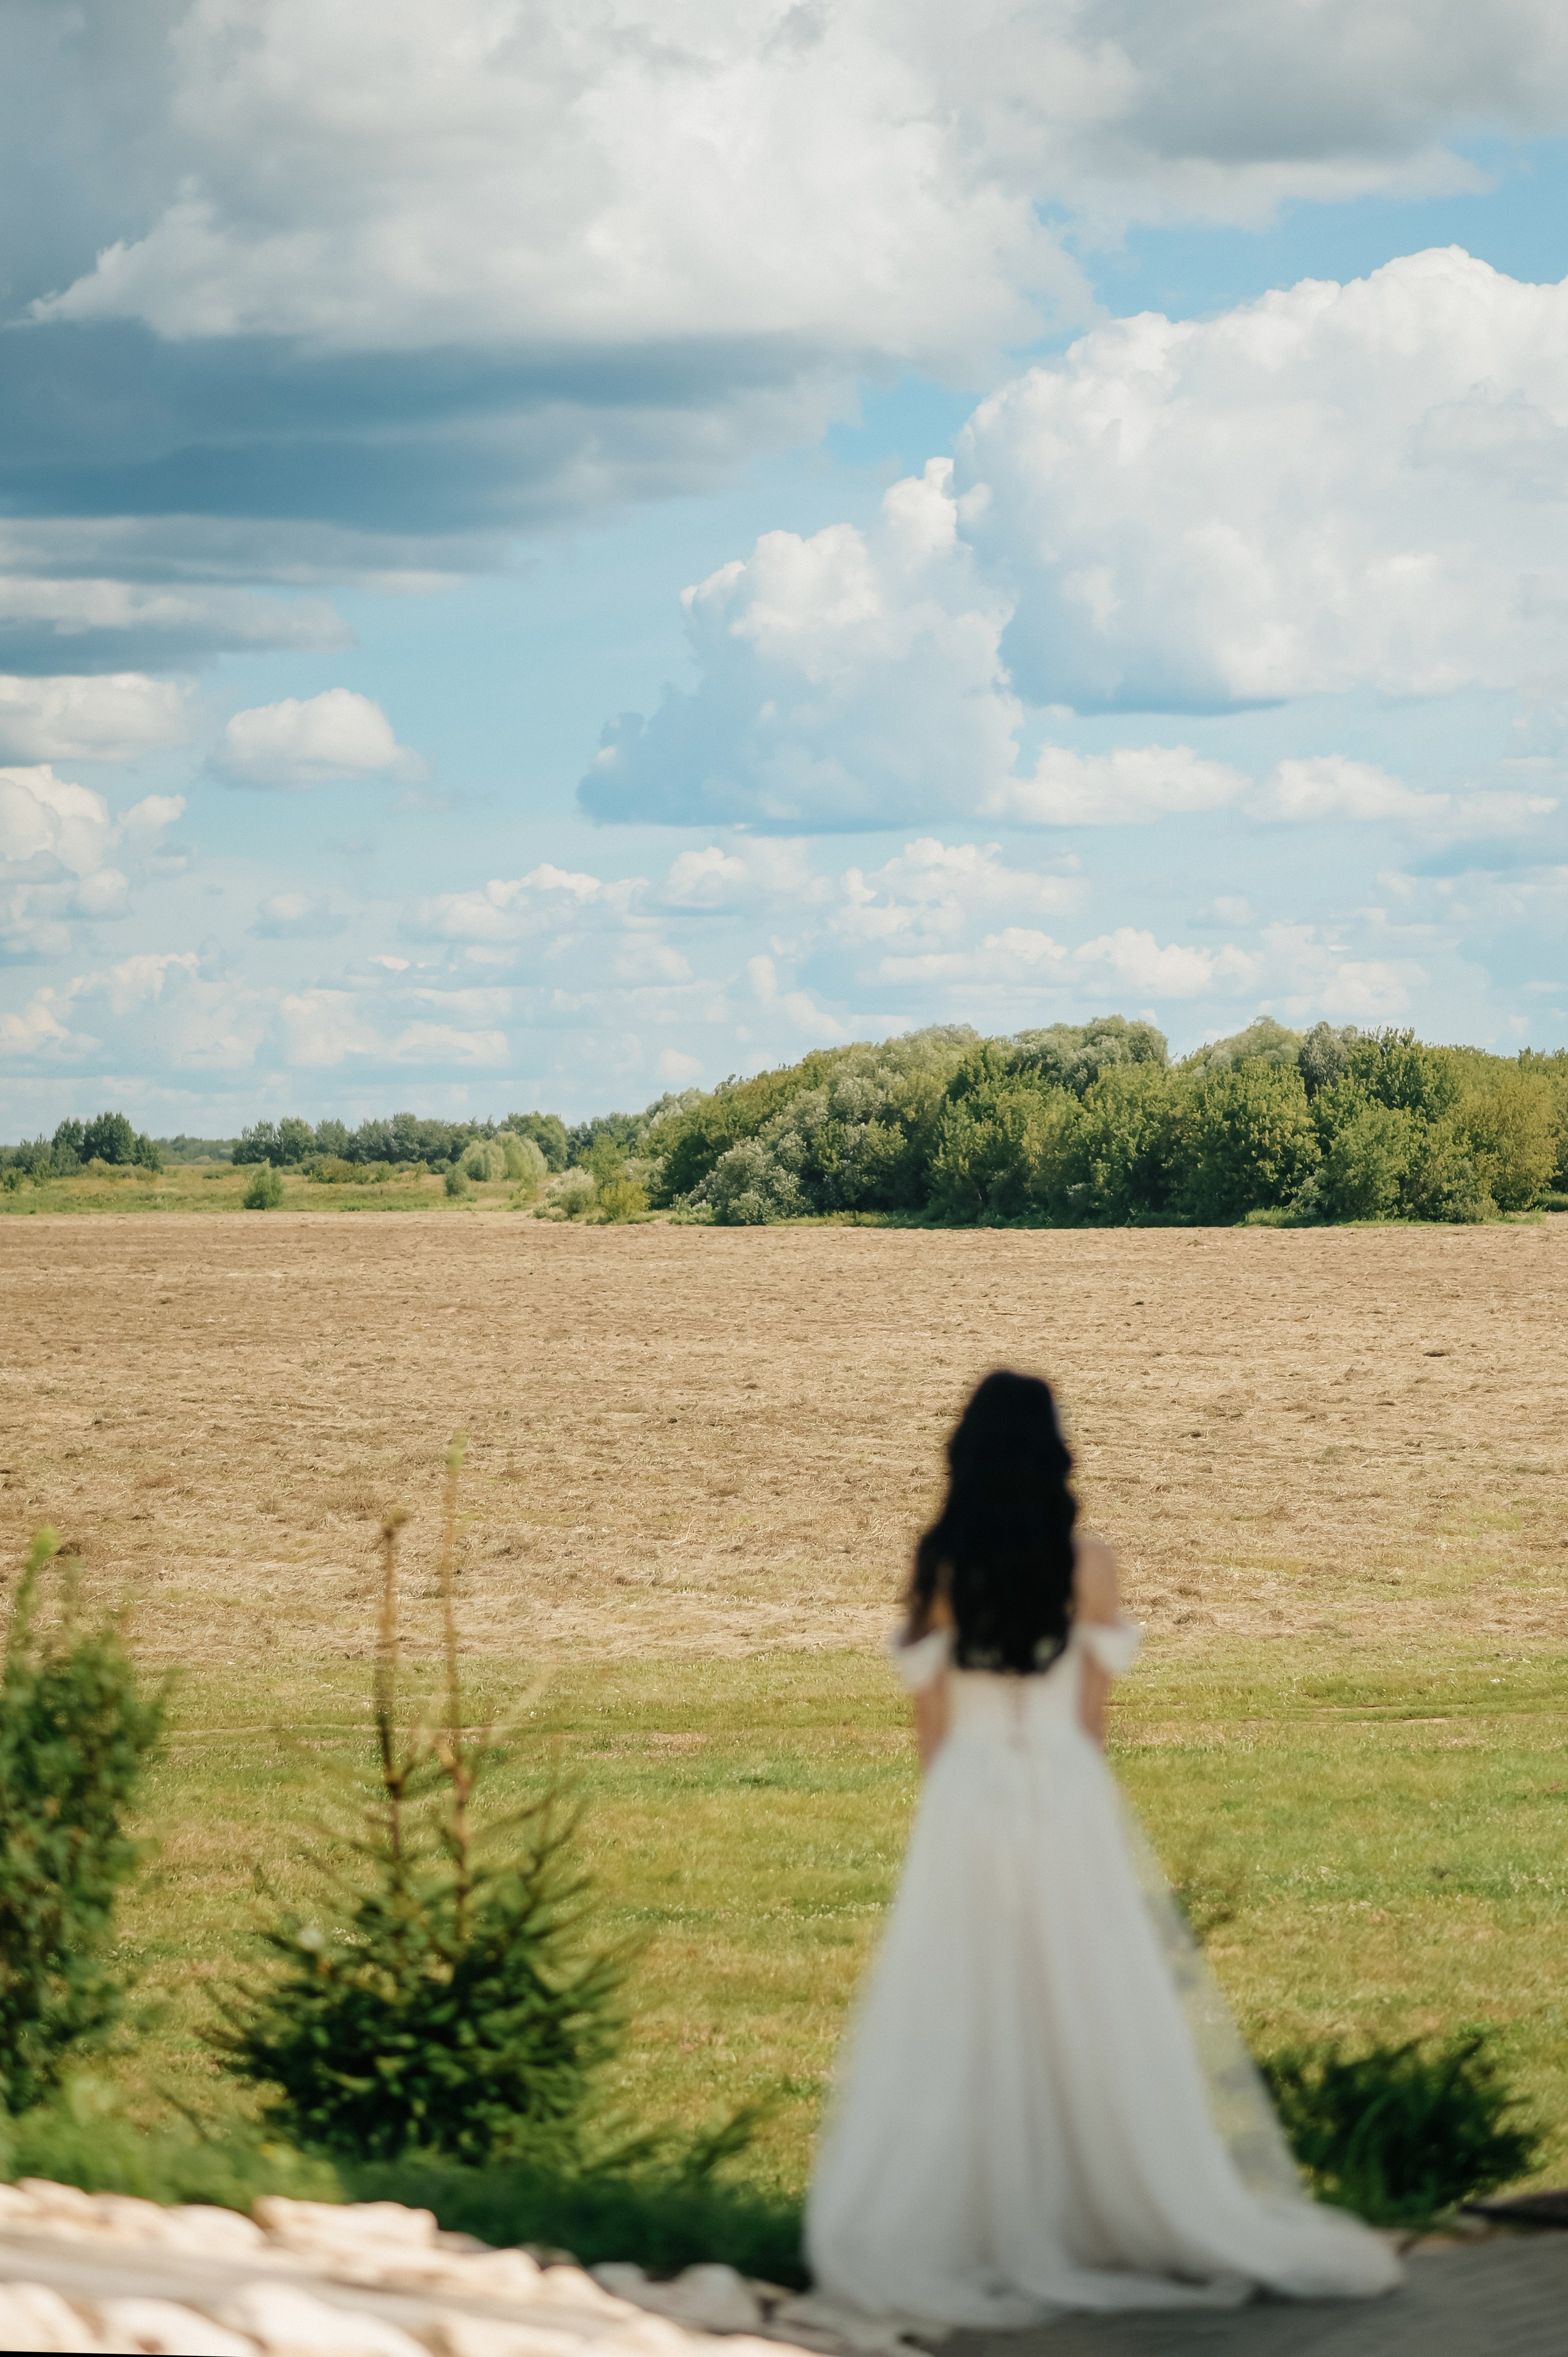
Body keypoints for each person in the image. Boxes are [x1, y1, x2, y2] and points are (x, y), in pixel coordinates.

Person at [804, 1369, 1400, 2326]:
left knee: (968, 1997)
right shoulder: (1092, 1566)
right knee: (1088, 1988)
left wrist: (949, 1808)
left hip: (968, 1791)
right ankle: (1110, 2198)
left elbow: (931, 1717)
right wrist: (1074, 1797)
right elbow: (1090, 1718)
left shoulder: (940, 1563)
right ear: (1055, 1454)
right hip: (1065, 1787)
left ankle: (985, 2215)